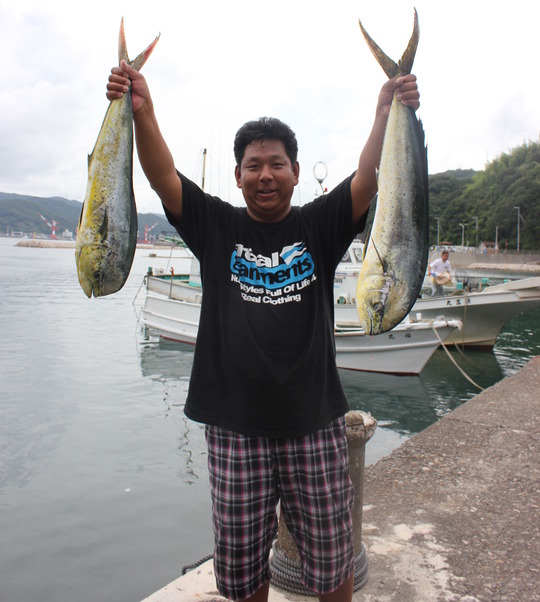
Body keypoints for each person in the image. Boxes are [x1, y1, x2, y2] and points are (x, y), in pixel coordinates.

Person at [107, 59, 420, 602]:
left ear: (295, 171)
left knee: (334, 562)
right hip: (234, 428)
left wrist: (384, 112)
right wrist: (142, 110)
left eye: (277, 164)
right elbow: (163, 177)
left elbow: (370, 179)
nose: (266, 175)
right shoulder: (216, 225)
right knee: (243, 572)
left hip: (314, 424)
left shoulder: (319, 224)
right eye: (253, 166)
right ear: (238, 176)